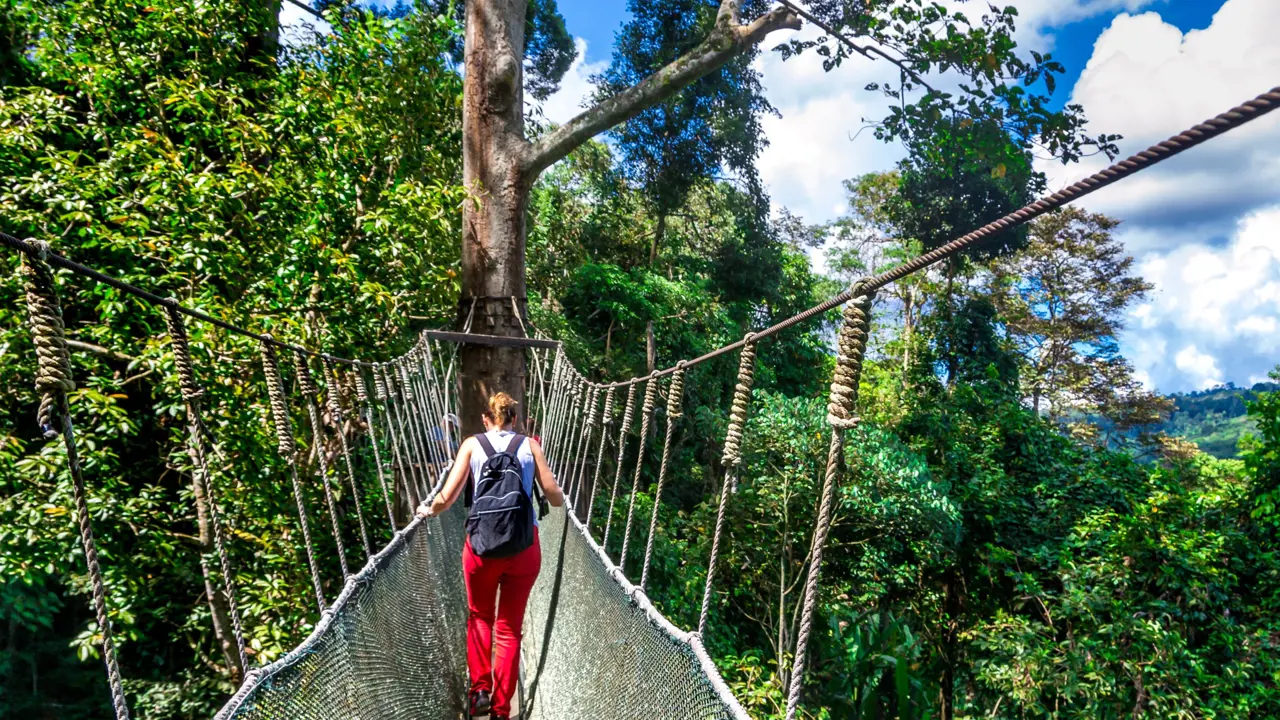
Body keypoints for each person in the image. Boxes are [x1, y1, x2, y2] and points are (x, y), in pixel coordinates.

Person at [417, 392, 563, 720]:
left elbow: (448, 497)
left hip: (481, 547)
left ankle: (480, 691)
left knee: (479, 616)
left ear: (487, 419)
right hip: (523, 547)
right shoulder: (530, 446)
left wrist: (429, 509)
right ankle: (501, 711)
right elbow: (554, 497)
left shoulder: (472, 444)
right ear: (515, 419)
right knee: (509, 628)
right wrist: (554, 495)